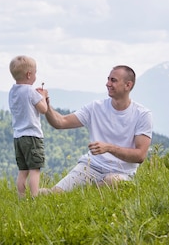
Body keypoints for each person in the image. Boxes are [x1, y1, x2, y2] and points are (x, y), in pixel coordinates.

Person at [40, 65, 152, 193]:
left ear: (128, 85)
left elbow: (140, 155)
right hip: (90, 167)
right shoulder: (95, 107)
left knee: (112, 181)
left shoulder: (142, 115)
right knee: (54, 194)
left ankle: (85, 193)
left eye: (113, 80)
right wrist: (47, 105)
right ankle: (30, 195)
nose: (107, 84)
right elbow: (61, 122)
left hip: (121, 173)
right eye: (108, 79)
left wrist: (109, 148)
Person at [8, 55, 48, 198]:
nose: (36, 75)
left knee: (22, 170)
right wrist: (43, 96)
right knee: (34, 169)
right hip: (32, 136)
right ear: (29, 74)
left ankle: (21, 197)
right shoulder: (30, 91)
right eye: (35, 72)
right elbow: (43, 109)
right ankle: (34, 197)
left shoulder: (12, 91)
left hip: (18, 137)